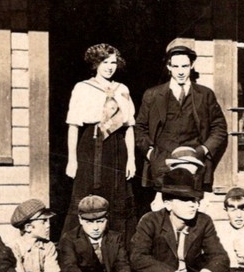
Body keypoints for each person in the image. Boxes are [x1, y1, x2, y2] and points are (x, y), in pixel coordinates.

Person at [135, 38, 227, 203]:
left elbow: (219, 128)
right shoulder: (153, 95)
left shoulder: (205, 95)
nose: (180, 71)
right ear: (168, 67)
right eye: (175, 66)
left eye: (184, 66)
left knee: (191, 210)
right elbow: (140, 128)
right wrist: (151, 154)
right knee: (164, 213)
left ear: (191, 66)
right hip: (162, 164)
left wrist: (202, 151)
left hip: (194, 163)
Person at [65, 44, 137, 242]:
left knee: (118, 196)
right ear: (95, 63)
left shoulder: (122, 89)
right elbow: (73, 126)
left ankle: (118, 249)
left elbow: (129, 126)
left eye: (113, 62)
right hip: (91, 146)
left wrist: (131, 159)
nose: (109, 67)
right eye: (104, 62)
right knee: (88, 196)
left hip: (117, 147)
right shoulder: (82, 88)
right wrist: (72, 160)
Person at [148, 145, 210, 212]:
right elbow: (157, 207)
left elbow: (203, 206)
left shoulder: (196, 182)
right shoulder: (167, 182)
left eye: (194, 165)